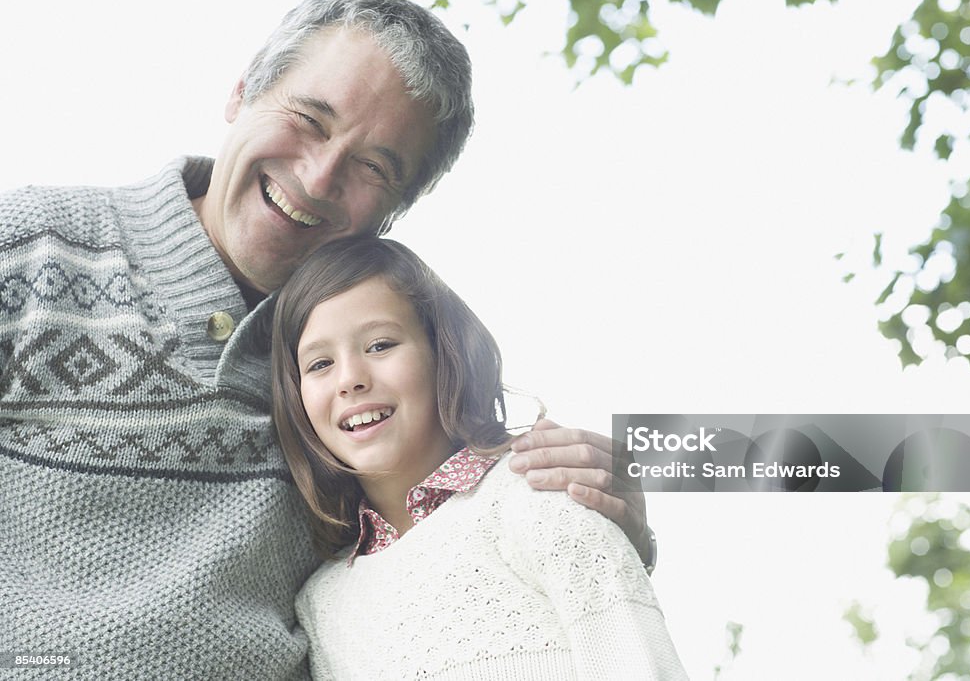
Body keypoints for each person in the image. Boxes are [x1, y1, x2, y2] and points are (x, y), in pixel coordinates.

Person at [0, 0, 653, 677]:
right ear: (243, 89)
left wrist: (606, 517)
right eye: (309, 119)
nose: (317, 178)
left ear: (399, 210)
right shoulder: (29, 248)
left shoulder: (374, 386)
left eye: (374, 167)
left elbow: (451, 553)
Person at [271, 236, 685, 679]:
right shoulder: (321, 604)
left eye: (380, 345)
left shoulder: (539, 492)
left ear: (441, 353)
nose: (350, 378)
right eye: (319, 365)